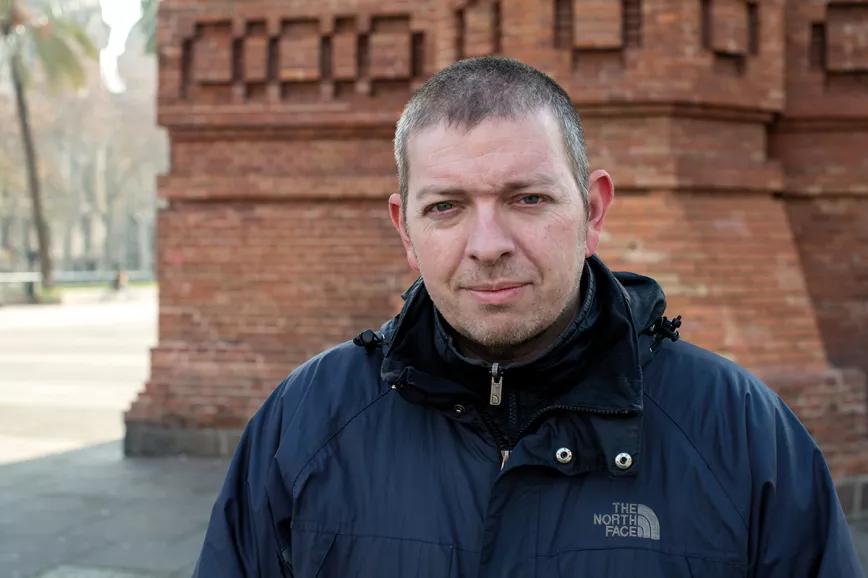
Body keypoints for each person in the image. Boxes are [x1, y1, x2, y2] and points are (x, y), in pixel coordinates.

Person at [193, 56, 862, 578]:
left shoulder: (737, 431)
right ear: (406, 227)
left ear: (593, 210)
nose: (488, 245)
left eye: (528, 198)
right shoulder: (308, 420)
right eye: (446, 207)